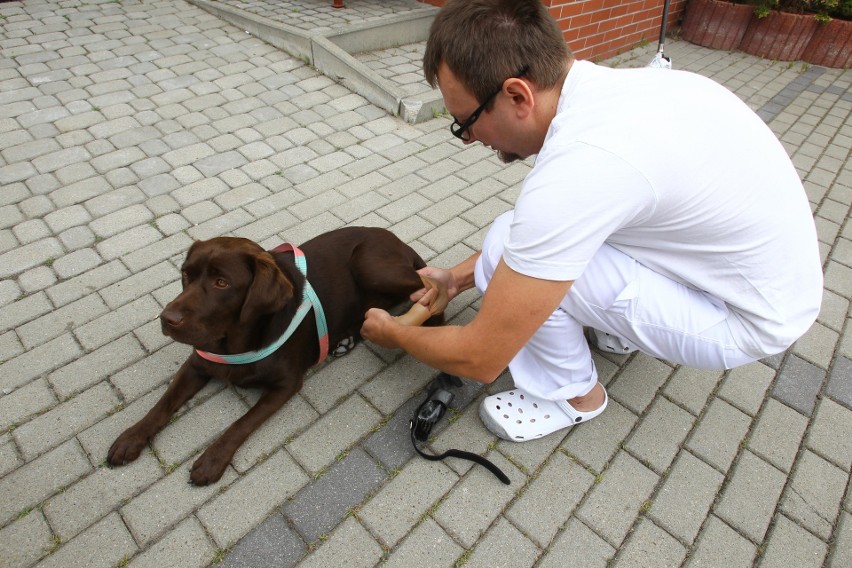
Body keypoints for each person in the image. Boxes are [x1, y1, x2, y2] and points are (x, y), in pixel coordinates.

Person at [360, 0, 822, 442]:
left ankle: (575, 396)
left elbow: (481, 356)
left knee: (504, 245)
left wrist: (396, 334)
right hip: (758, 283)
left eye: (467, 122)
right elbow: (562, 231)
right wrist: (456, 279)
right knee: (523, 240)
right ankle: (620, 328)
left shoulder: (581, 165)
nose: (469, 139)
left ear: (517, 95)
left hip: (743, 319)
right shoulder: (622, 90)